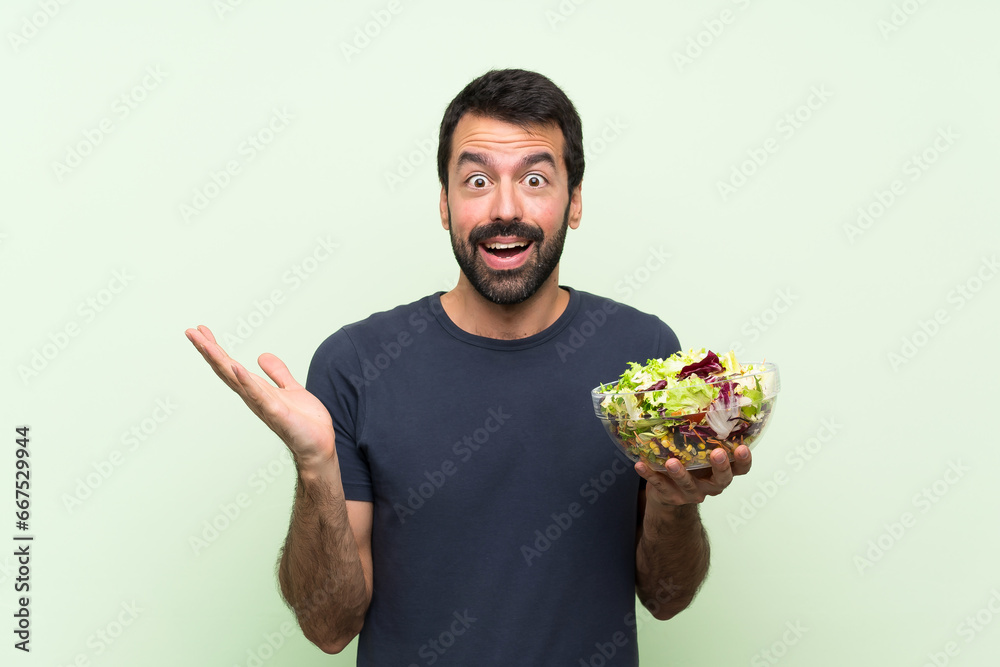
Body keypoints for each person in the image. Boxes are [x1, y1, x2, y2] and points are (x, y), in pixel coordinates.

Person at [185, 68, 752, 666]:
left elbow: (665, 598)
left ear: (575, 201)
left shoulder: (643, 355)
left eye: (535, 178)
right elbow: (329, 628)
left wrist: (676, 500)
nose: (504, 208)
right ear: (444, 203)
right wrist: (315, 465)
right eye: (477, 180)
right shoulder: (355, 364)